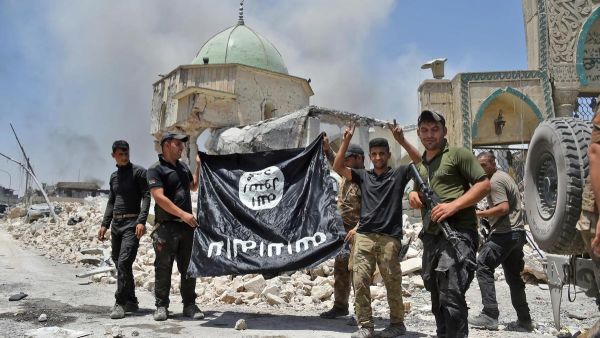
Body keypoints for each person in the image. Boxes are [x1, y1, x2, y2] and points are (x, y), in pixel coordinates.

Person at [332, 121, 421, 338]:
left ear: (388, 155)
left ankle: (397, 323)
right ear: (370, 156)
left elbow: (420, 161)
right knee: (360, 280)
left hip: (389, 238)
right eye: (374, 154)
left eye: (382, 153)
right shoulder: (364, 176)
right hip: (364, 236)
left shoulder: (398, 174)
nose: (378, 157)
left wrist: (401, 140)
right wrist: (345, 141)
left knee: (392, 281)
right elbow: (337, 167)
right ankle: (366, 326)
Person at [408, 110, 490, 338]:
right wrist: (413, 197)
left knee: (451, 295)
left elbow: (483, 185)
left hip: (458, 234)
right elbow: (417, 193)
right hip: (432, 237)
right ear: (418, 133)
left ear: (444, 131)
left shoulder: (458, 155)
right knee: (436, 294)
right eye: (424, 130)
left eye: (435, 129)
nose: (429, 134)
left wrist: (453, 206)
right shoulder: (422, 165)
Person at [468, 152, 532, 331]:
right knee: (513, 278)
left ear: (493, 163)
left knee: (482, 265)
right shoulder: (504, 177)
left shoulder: (495, 181)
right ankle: (525, 320)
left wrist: (480, 214)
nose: (481, 168)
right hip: (516, 234)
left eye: (484, 164)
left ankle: (489, 314)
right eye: (478, 165)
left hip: (505, 233)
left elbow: (503, 208)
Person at [147, 132, 202, 321]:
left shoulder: (183, 167)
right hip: (166, 227)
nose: (182, 148)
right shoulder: (155, 170)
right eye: (178, 144)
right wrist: (183, 214)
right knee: (163, 268)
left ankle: (189, 305)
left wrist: (199, 165)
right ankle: (161, 306)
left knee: (188, 268)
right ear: (167, 145)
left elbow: (193, 186)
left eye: (183, 145)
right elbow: (159, 197)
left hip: (185, 228)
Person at [98, 140, 151, 319]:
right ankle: (132, 300)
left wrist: (141, 221)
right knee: (119, 261)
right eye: (120, 154)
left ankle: (120, 303)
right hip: (116, 225)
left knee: (123, 262)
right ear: (113, 155)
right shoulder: (113, 177)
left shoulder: (139, 172)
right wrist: (105, 224)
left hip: (132, 224)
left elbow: (147, 195)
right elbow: (111, 201)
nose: (124, 156)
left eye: (126, 153)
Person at [319, 137, 364, 319]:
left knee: (358, 273)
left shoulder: (365, 179)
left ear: (359, 158)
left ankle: (362, 311)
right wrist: (327, 149)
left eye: (348, 158)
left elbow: (371, 210)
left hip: (358, 233)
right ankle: (340, 306)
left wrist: (358, 228)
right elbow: (335, 162)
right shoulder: (347, 175)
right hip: (343, 232)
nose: (344, 161)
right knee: (341, 269)